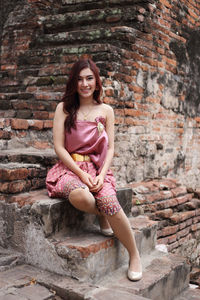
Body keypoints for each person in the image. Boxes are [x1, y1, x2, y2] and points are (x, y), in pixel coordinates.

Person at [46, 57, 142, 281]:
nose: (85, 84)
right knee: (81, 196)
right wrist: (80, 173)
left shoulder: (106, 110)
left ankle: (134, 254)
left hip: (99, 169)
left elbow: (110, 149)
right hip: (69, 169)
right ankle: (104, 214)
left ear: (97, 82)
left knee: (109, 200)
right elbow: (59, 148)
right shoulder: (64, 108)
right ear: (74, 83)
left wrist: (100, 174)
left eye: (89, 78)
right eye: (79, 79)